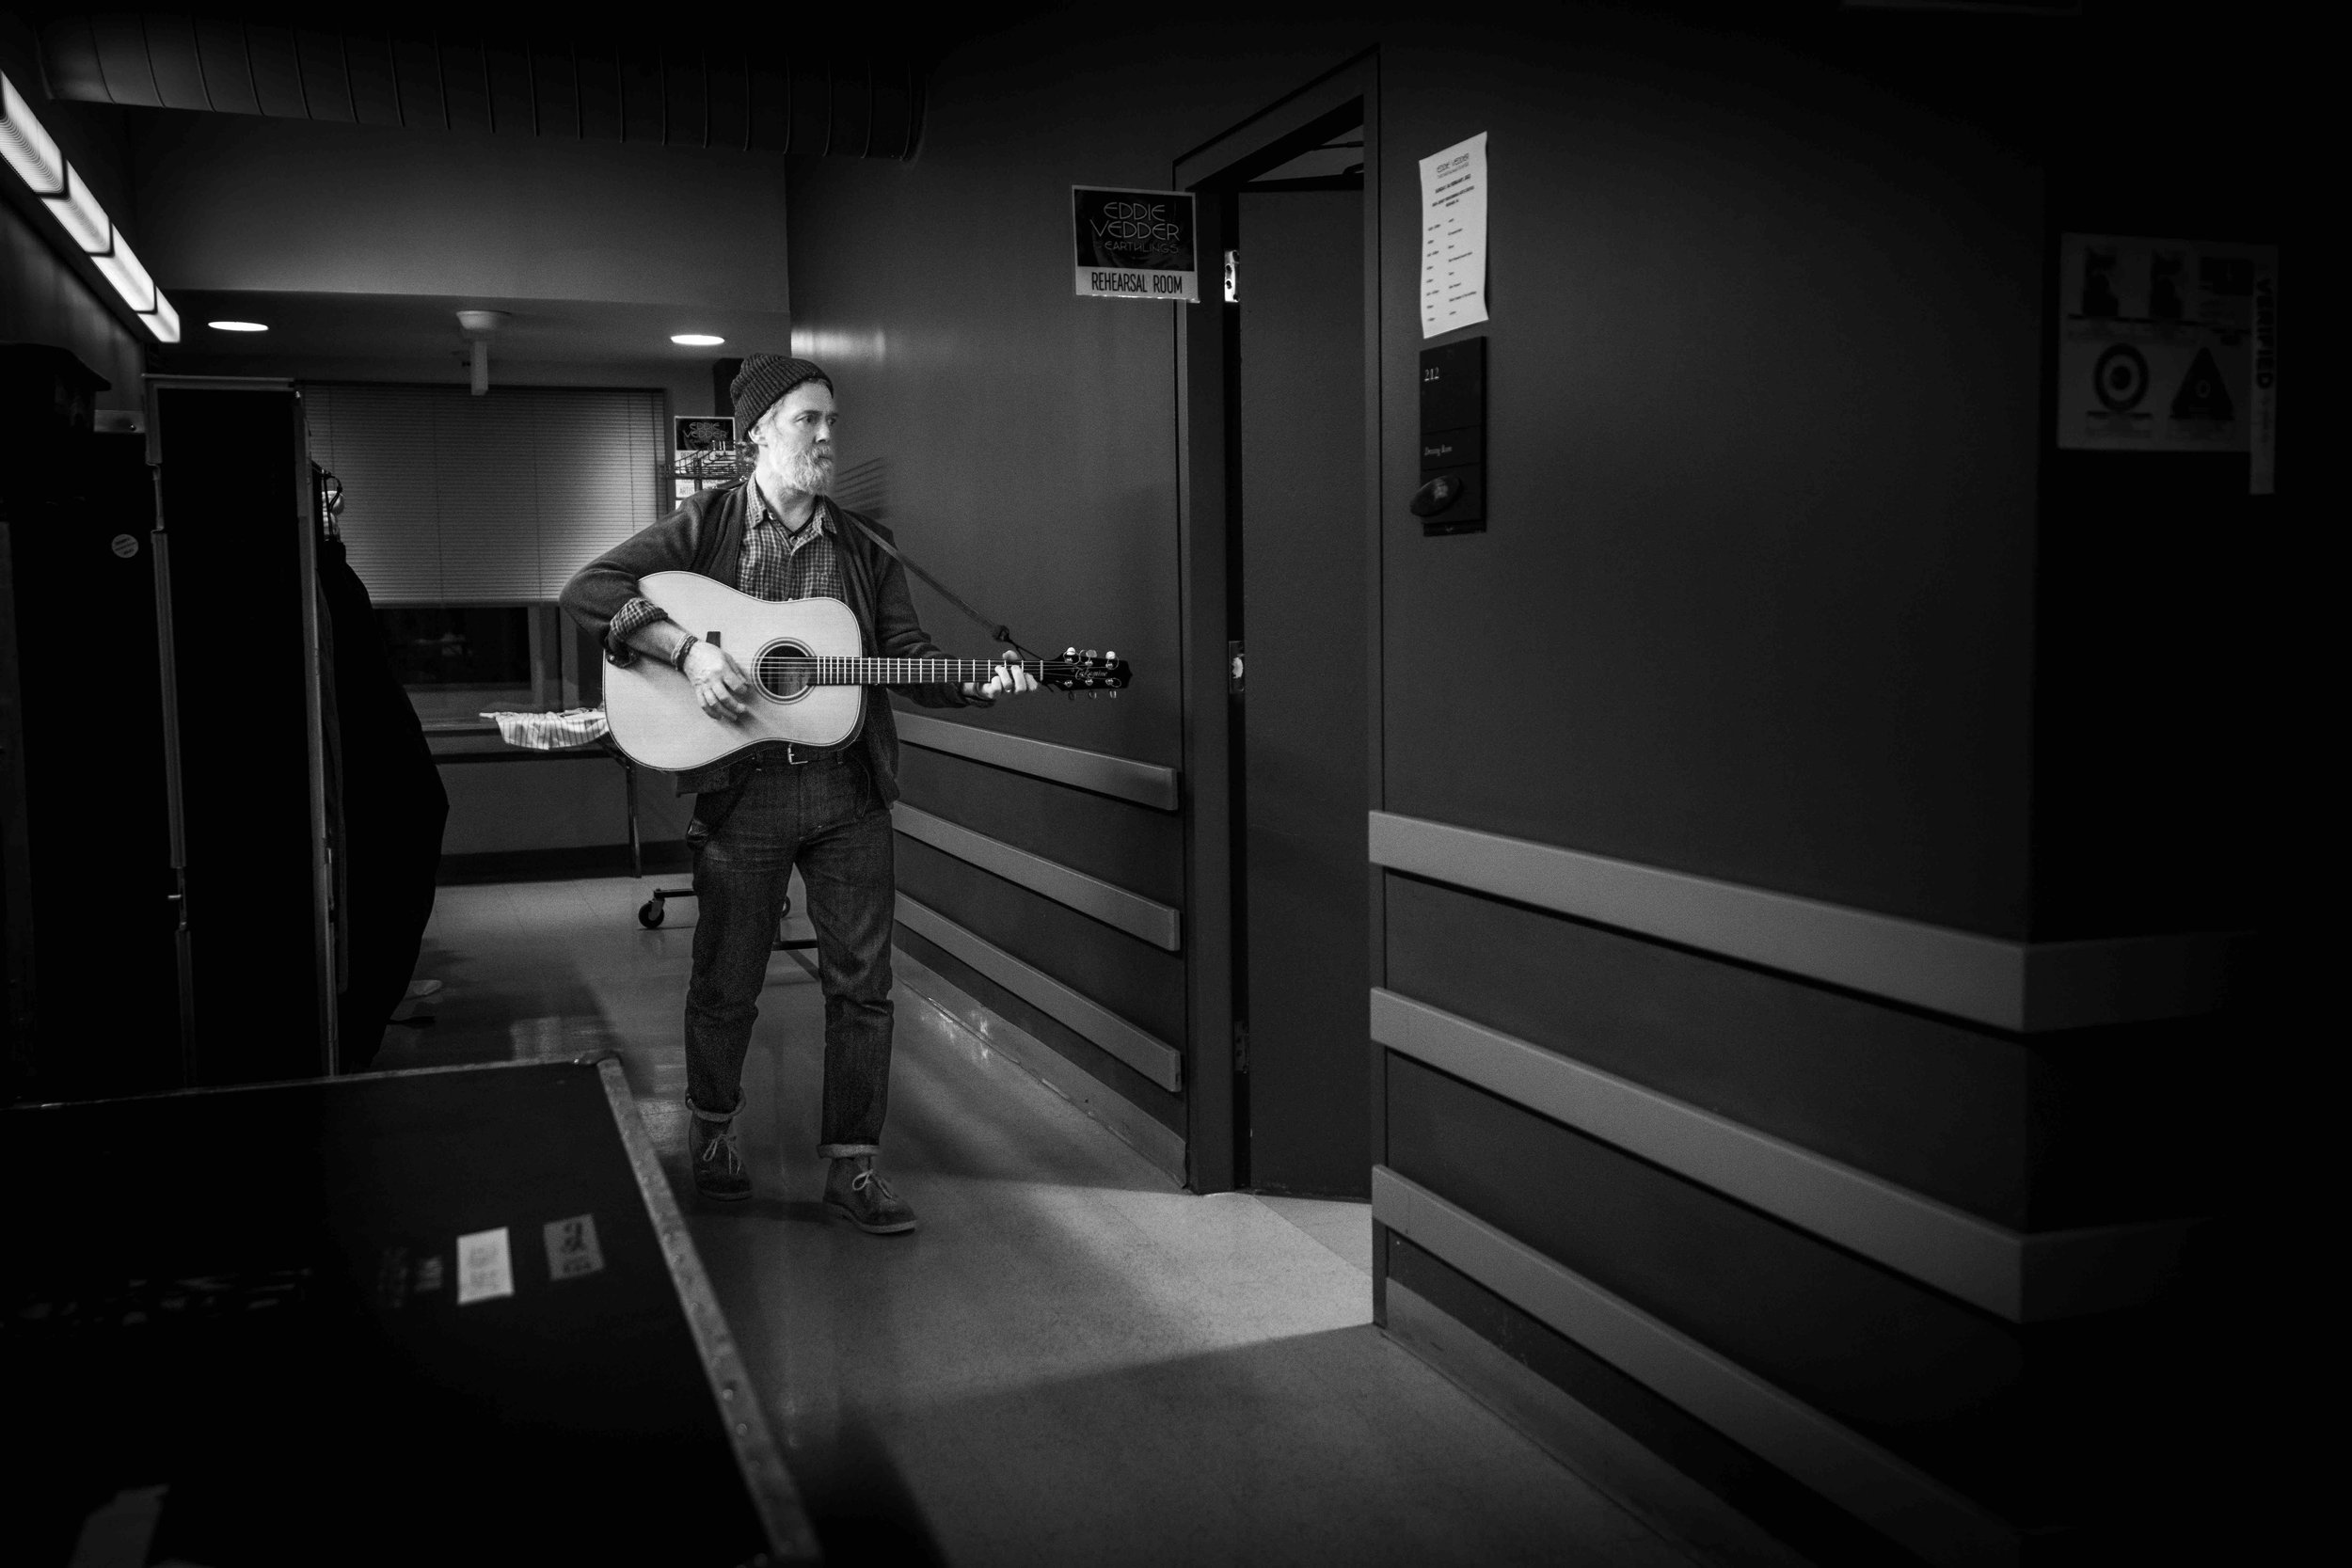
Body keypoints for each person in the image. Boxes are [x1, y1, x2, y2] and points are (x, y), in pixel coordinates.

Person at [560, 355, 1036, 1229]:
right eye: (807, 420)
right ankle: (712, 1130)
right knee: (728, 977)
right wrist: (689, 650)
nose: (825, 437)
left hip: (849, 792)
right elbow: (587, 589)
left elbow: (903, 653)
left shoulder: (864, 545)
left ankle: (852, 1166)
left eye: (831, 422)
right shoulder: (706, 527)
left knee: (864, 985)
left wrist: (976, 680)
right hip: (743, 792)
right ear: (757, 435)